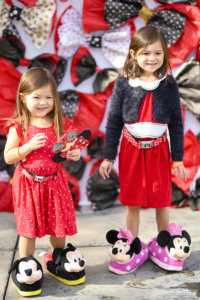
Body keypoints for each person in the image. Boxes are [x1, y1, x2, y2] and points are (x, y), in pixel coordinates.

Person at [99, 26, 190, 273]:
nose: (152, 58)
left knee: (162, 199)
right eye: (146, 52)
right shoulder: (123, 84)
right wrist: (108, 156)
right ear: (133, 54)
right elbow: (114, 121)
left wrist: (178, 159)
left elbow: (177, 123)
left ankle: (163, 244)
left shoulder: (168, 84)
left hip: (160, 150)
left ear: (165, 55)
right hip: (131, 150)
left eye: (158, 53)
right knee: (132, 200)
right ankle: (132, 243)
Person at [4, 67, 86, 297]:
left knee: (58, 224)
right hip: (28, 184)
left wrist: (75, 154)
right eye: (36, 97)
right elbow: (8, 156)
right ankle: (26, 264)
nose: (43, 103)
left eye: (49, 97)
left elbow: (70, 150)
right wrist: (27, 147)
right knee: (28, 229)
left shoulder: (61, 123)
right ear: (23, 97)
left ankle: (56, 257)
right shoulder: (19, 126)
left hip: (54, 182)